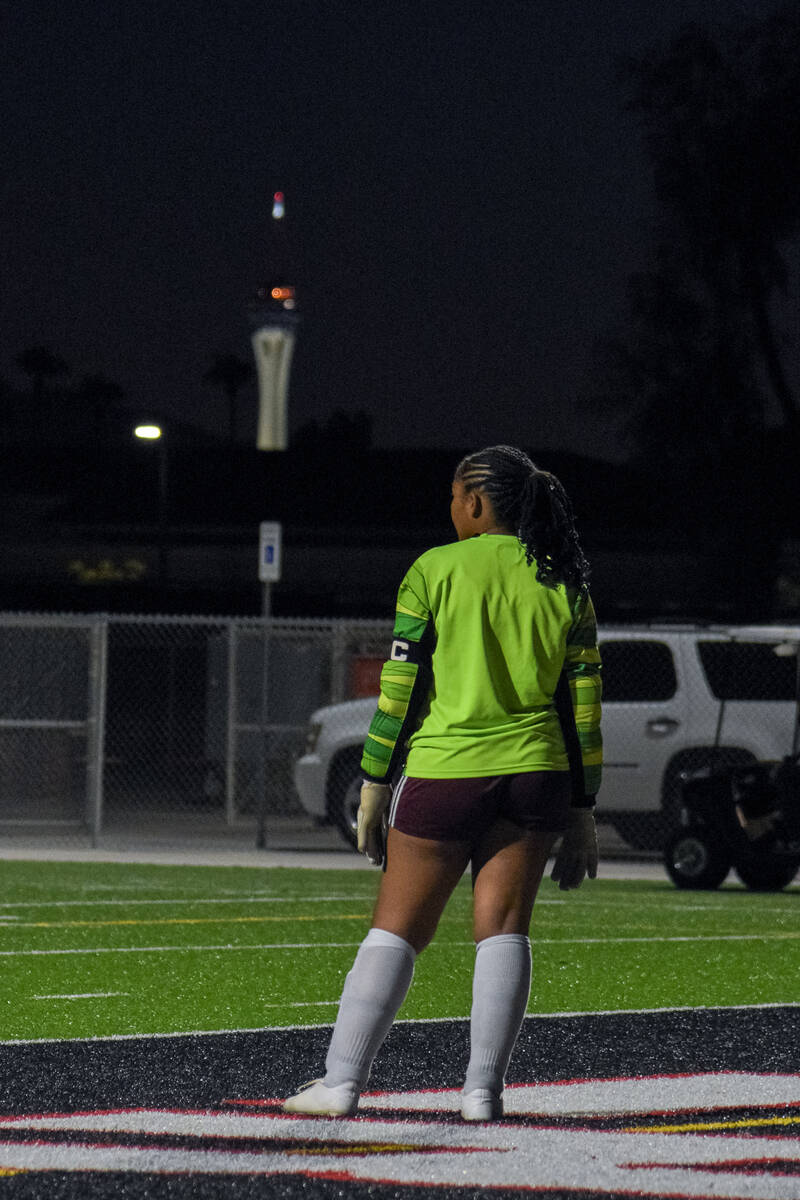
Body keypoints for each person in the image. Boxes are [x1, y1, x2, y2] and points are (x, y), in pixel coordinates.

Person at [283, 445, 602, 1122]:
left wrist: (372, 779)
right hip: (537, 772)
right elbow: (584, 710)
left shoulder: (434, 568)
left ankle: (341, 1084)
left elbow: (397, 691)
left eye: (454, 497)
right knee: (505, 930)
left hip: (446, 770)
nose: (449, 508)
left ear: (476, 503)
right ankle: (483, 1093)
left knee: (396, 930)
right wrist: (582, 807)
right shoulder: (564, 582)